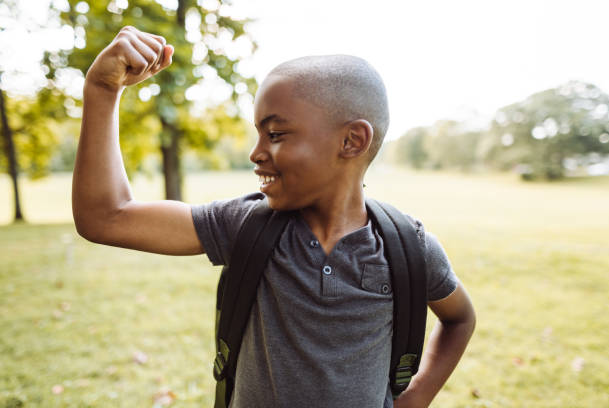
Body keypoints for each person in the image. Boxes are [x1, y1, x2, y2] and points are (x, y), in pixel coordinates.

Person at [73, 26, 476, 408]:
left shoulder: (408, 248)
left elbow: (459, 319)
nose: (255, 152)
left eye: (276, 134)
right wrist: (103, 90)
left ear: (352, 141)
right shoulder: (245, 225)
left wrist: (414, 398)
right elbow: (106, 217)